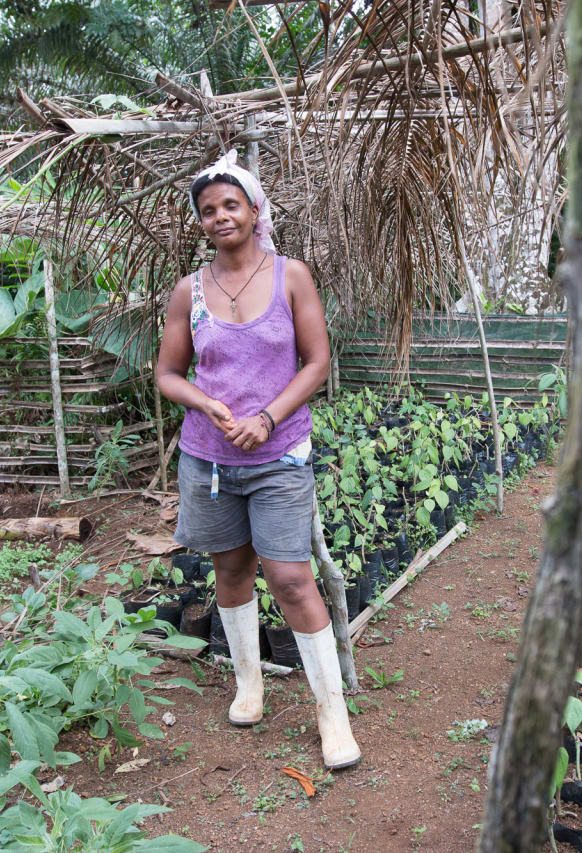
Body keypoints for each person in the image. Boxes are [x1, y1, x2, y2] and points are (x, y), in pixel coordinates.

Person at [154, 150, 361, 770]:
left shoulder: (291, 275)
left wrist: (267, 417)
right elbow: (167, 373)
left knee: (292, 578)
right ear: (200, 222)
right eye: (208, 210)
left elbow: (317, 364)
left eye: (231, 205)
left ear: (254, 210)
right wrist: (205, 402)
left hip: (279, 454)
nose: (220, 216)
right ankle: (250, 684)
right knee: (231, 570)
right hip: (210, 459)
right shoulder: (188, 291)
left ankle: (332, 714)